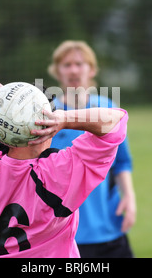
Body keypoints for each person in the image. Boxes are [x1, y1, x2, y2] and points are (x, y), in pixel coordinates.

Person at [0, 67, 128, 257]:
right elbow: (115, 122)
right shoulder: (56, 178)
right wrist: (65, 119)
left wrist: (5, 103)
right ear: (47, 122)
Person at [47, 40, 136, 257]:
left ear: (92, 69)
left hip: (109, 227)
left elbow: (122, 161)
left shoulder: (107, 109)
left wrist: (129, 196)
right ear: (57, 71)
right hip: (64, 234)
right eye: (67, 64)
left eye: (80, 63)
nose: (74, 70)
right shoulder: (46, 114)